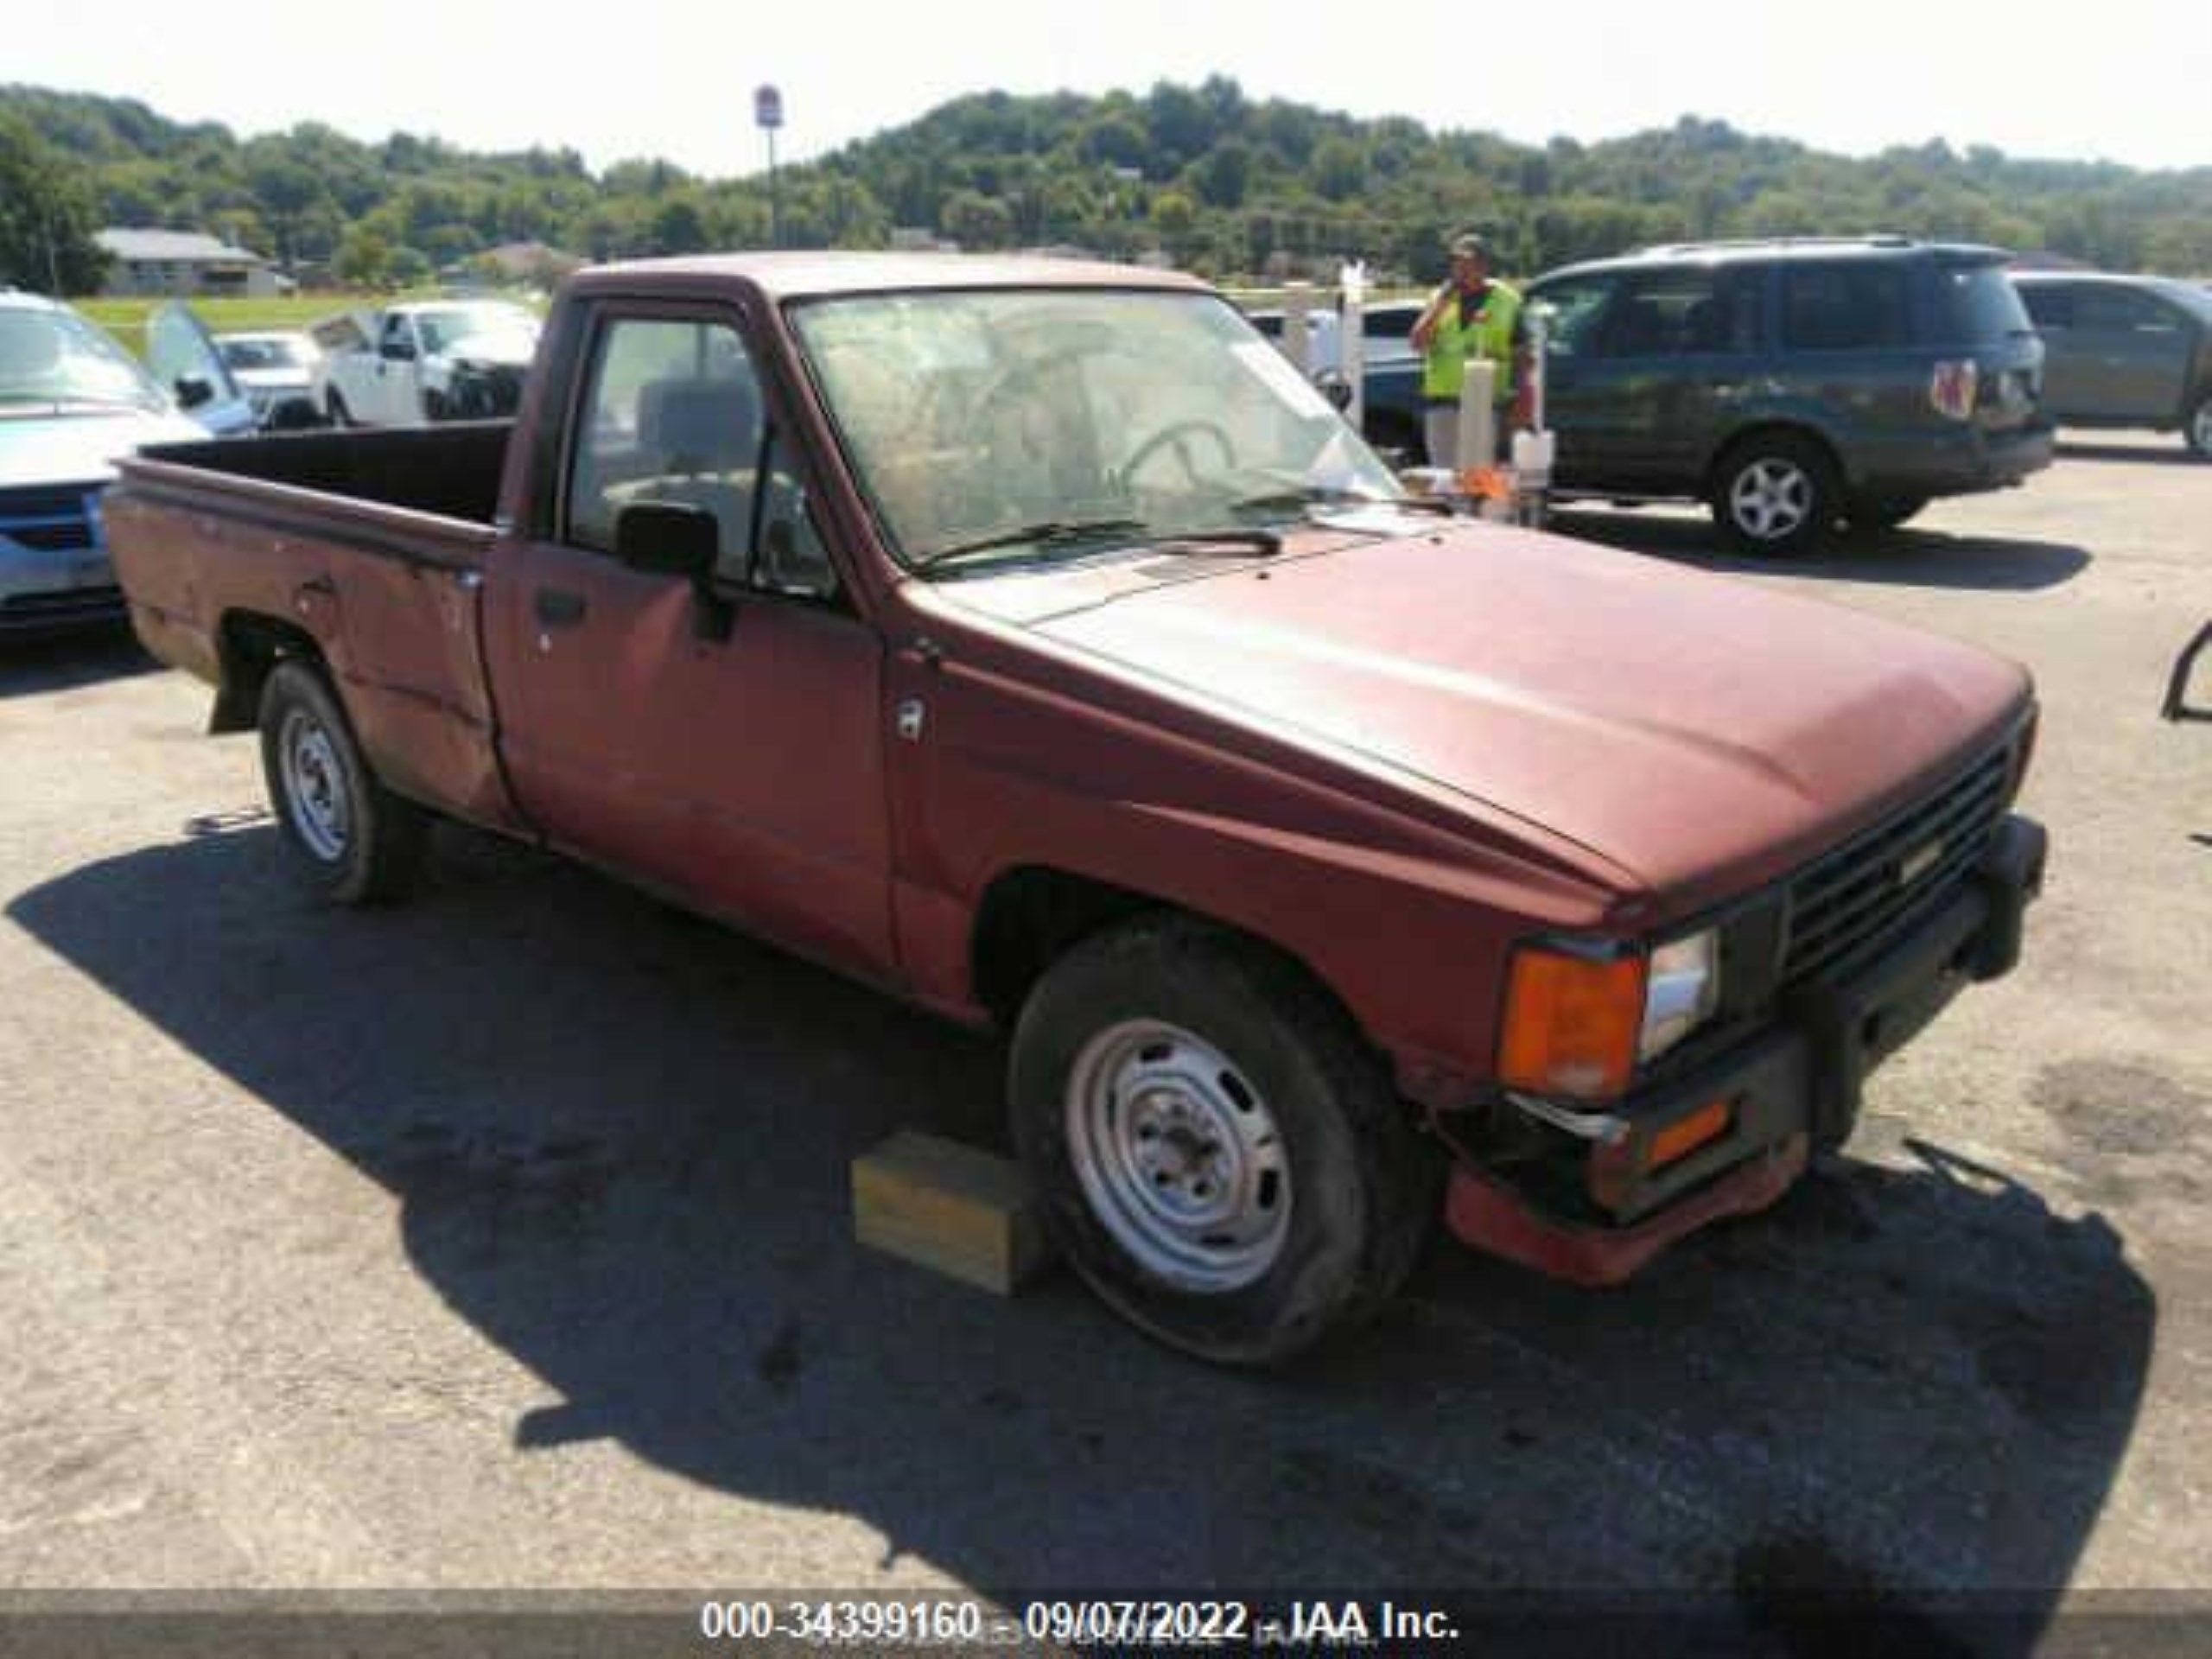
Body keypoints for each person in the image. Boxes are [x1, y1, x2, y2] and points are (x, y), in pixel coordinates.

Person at [1408, 232, 1522, 468]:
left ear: (1484, 265)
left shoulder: (1508, 300)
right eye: (1456, 262)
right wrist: (1440, 306)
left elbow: (1523, 354)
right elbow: (1417, 343)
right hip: (1442, 401)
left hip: (1485, 401)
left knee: (1478, 476)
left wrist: (1520, 398)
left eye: (1467, 263)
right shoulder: (1440, 297)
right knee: (1444, 477)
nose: (1460, 269)